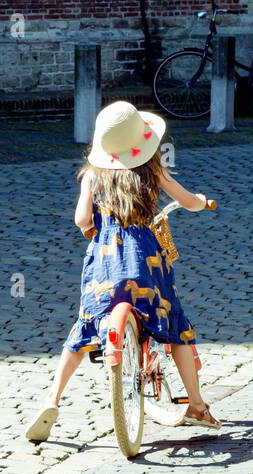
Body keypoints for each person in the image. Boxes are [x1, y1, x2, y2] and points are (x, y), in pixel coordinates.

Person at [25, 100, 221, 442]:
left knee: (85, 329)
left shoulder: (92, 175)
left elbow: (81, 220)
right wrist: (201, 202)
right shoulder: (152, 171)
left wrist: (96, 229)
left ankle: (52, 399)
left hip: (105, 261)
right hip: (146, 260)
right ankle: (197, 405)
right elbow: (187, 200)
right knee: (175, 327)